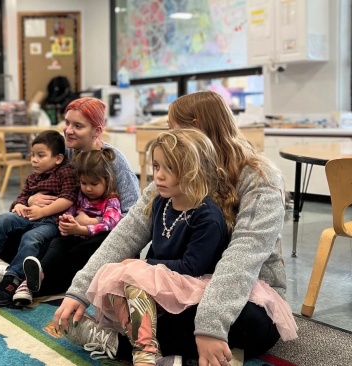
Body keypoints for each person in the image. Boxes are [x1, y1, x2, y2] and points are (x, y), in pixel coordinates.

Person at [53, 91, 298, 365]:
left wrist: (210, 326)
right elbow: (127, 232)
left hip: (241, 291)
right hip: (179, 284)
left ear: (194, 126)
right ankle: (154, 345)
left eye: (173, 128)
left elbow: (244, 255)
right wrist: (80, 290)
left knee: (251, 324)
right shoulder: (173, 171)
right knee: (126, 290)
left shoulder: (259, 176)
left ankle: (122, 342)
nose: (169, 137)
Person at [64, 129, 233, 364]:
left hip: (192, 283)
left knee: (133, 277)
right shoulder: (161, 202)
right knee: (111, 280)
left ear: (194, 171)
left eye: (169, 168)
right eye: (156, 166)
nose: (159, 176)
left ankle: (144, 351)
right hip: (162, 279)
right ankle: (143, 342)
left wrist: (145, 266)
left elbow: (193, 266)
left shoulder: (207, 215)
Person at [0, 97, 141, 296]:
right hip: (61, 228)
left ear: (96, 131)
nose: (68, 130)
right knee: (8, 230)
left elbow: (134, 216)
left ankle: (32, 280)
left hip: (99, 233)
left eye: (78, 126)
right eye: (67, 123)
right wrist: (30, 200)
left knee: (84, 249)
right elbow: (27, 190)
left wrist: (93, 222)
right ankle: (33, 274)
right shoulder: (62, 152)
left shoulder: (114, 160)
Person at [0, 130, 79, 306]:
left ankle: (11, 280)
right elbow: (21, 198)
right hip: (29, 216)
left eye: (40, 155)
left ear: (58, 158)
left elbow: (68, 198)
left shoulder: (66, 172)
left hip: (52, 221)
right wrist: (20, 205)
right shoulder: (32, 177)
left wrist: (42, 212)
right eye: (32, 155)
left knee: (30, 238)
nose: (34, 160)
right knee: (2, 220)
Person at [17, 148, 122, 306]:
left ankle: (38, 285)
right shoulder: (81, 196)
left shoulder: (111, 200)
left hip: (92, 242)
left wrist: (81, 228)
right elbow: (70, 212)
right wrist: (66, 220)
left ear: (107, 181)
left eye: (94, 184)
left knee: (96, 243)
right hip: (75, 237)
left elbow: (110, 223)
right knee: (56, 244)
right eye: (84, 183)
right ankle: (36, 275)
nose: (88, 188)